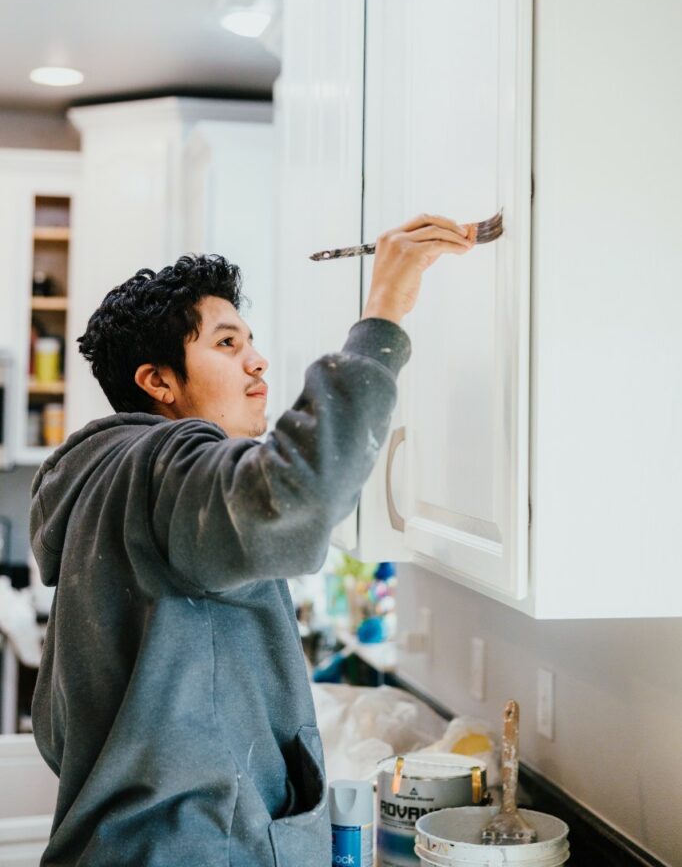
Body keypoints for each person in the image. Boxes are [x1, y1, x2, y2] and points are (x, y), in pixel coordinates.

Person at [30, 213, 474, 866]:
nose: (258, 359)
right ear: (159, 382)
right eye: (228, 343)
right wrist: (383, 315)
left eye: (250, 340)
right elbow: (292, 499)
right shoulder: (164, 464)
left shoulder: (99, 477)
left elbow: (58, 731)